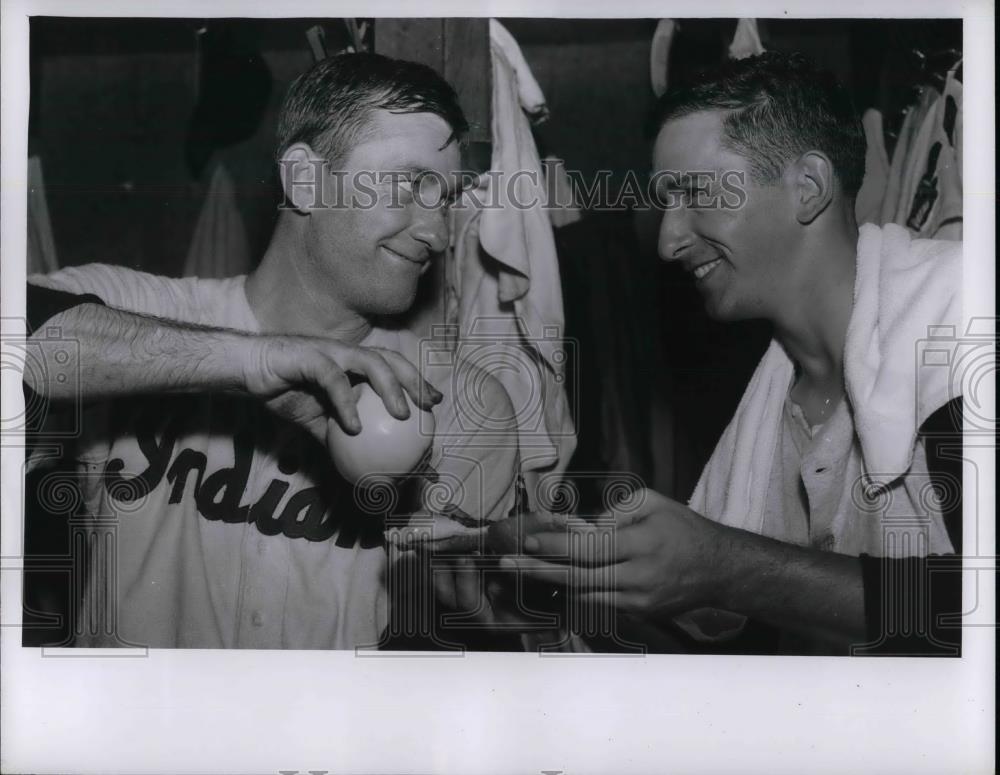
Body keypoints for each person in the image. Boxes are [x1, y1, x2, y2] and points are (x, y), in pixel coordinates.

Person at [24, 53, 520, 650]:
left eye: (444, 199)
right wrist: (247, 362)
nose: (437, 234)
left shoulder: (464, 402)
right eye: (409, 185)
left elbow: (462, 636)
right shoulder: (134, 308)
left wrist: (473, 595)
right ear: (304, 180)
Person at [502, 52, 963, 655]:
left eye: (696, 192)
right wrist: (542, 578)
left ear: (808, 188)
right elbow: (723, 620)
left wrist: (728, 567)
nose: (668, 241)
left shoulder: (959, 325)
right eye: (666, 202)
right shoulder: (766, 390)